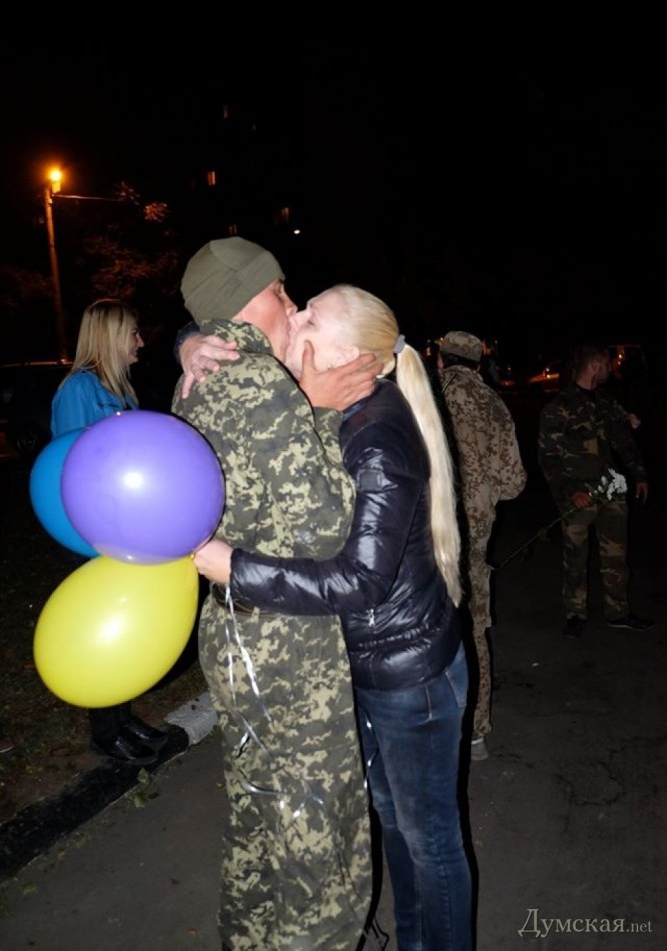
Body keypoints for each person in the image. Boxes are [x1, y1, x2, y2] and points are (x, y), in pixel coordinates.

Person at [189, 284, 473, 951]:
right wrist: (189, 344)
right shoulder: (331, 412)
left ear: (346, 355)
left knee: (430, 840)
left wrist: (234, 568)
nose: (291, 317)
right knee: (393, 821)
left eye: (308, 317)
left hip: (409, 676)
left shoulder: (377, 436)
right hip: (365, 664)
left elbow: (360, 580)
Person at [171, 238, 380, 951]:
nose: (290, 306)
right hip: (286, 647)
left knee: (259, 813)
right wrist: (321, 411)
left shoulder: (193, 380)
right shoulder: (260, 382)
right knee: (322, 832)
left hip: (231, 634)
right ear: (244, 299)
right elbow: (326, 533)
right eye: (280, 292)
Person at [50, 299, 169, 768]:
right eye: (133, 333)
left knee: (125, 626)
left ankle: (122, 718)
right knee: (103, 629)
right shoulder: (78, 390)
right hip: (93, 533)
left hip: (125, 528)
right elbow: (72, 468)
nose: (140, 341)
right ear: (111, 337)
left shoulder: (120, 390)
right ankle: (106, 732)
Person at [439, 331, 527, 762]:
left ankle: (427, 732)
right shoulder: (492, 403)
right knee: (473, 630)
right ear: (477, 365)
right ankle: (475, 733)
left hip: (422, 538)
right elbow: (513, 483)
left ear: (441, 360)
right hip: (472, 539)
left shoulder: (419, 394)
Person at [537, 342, 654, 639]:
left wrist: (639, 474)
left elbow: (622, 440)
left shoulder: (605, 402)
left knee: (616, 555)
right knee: (575, 558)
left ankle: (618, 611)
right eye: (607, 365)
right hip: (578, 496)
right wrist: (570, 492)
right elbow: (548, 458)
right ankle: (575, 613)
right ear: (594, 366)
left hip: (610, 489)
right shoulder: (558, 408)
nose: (610, 370)